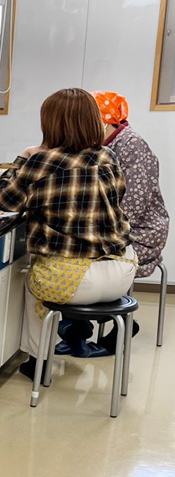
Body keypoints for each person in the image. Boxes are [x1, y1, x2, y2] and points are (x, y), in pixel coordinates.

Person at [0, 88, 136, 373]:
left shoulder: (42, 161)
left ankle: (38, 361)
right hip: (122, 272)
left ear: (51, 124)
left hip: (73, 282)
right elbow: (117, 197)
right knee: (55, 269)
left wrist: (24, 158)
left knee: (32, 282)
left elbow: (3, 201)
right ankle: (75, 332)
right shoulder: (108, 156)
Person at [91, 90, 169, 353]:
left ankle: (116, 320)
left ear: (107, 120)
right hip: (115, 224)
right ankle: (80, 326)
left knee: (84, 255)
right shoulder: (105, 144)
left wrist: (98, 232)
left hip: (141, 230)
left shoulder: (131, 145)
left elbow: (133, 204)